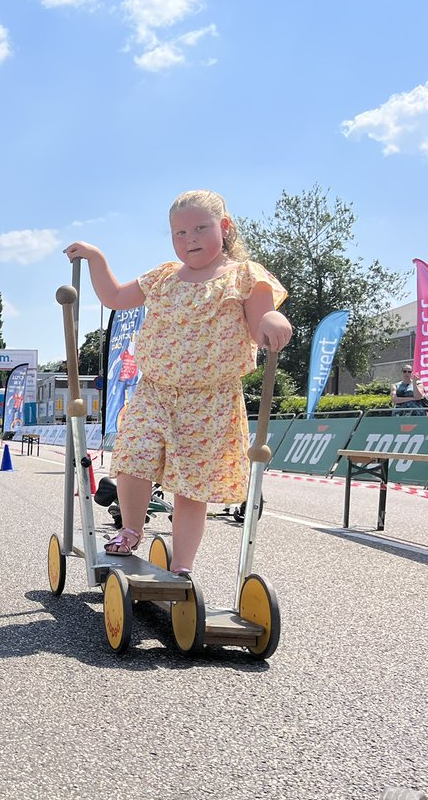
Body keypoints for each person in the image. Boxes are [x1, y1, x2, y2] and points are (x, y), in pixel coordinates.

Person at [64, 189, 293, 576]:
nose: (190, 239)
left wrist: (272, 319)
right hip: (154, 391)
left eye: (200, 228)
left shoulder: (245, 276)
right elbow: (115, 297)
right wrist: (96, 257)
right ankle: (131, 529)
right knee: (133, 456)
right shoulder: (164, 276)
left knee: (191, 487)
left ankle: (182, 566)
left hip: (211, 400)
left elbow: (260, 326)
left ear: (224, 227)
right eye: (180, 233)